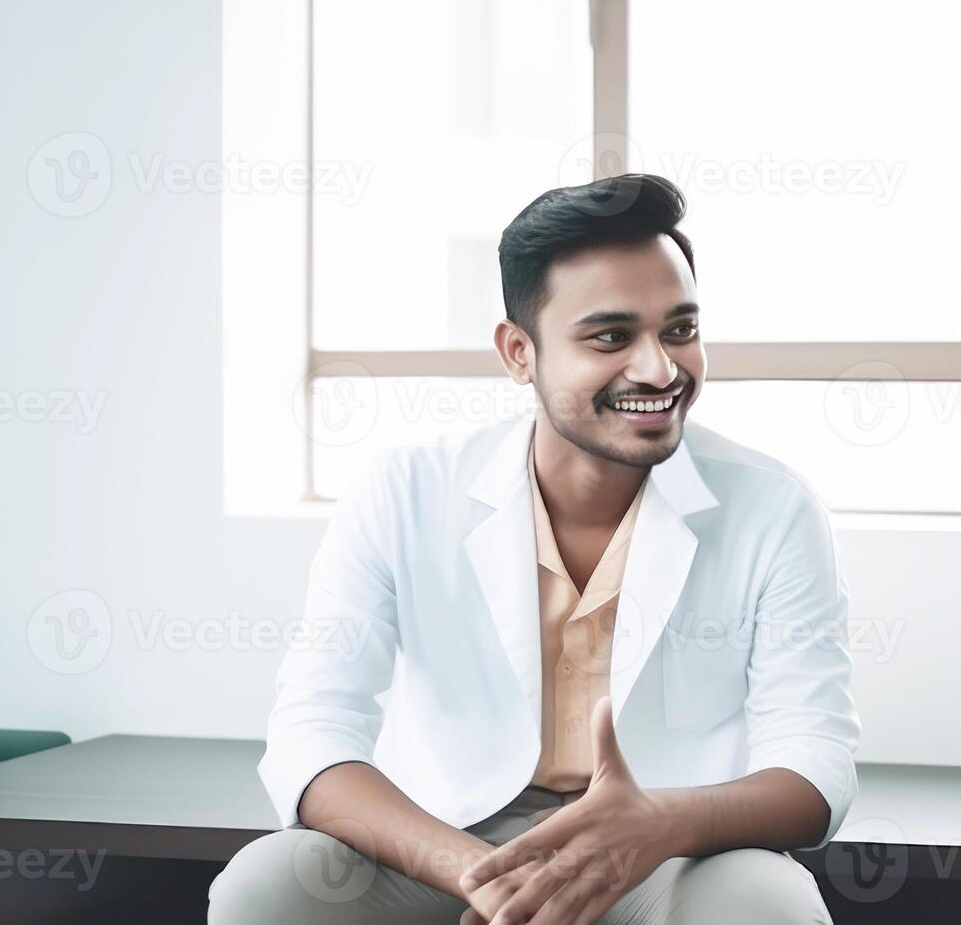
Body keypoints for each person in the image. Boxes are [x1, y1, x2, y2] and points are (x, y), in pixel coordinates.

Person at [209, 174, 857, 925]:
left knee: (767, 903)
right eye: (611, 337)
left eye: (678, 329)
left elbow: (815, 761)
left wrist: (663, 823)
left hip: (663, 855)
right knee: (269, 883)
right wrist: (482, 875)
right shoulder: (404, 489)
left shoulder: (772, 506)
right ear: (519, 352)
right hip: (450, 840)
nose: (659, 368)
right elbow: (310, 736)